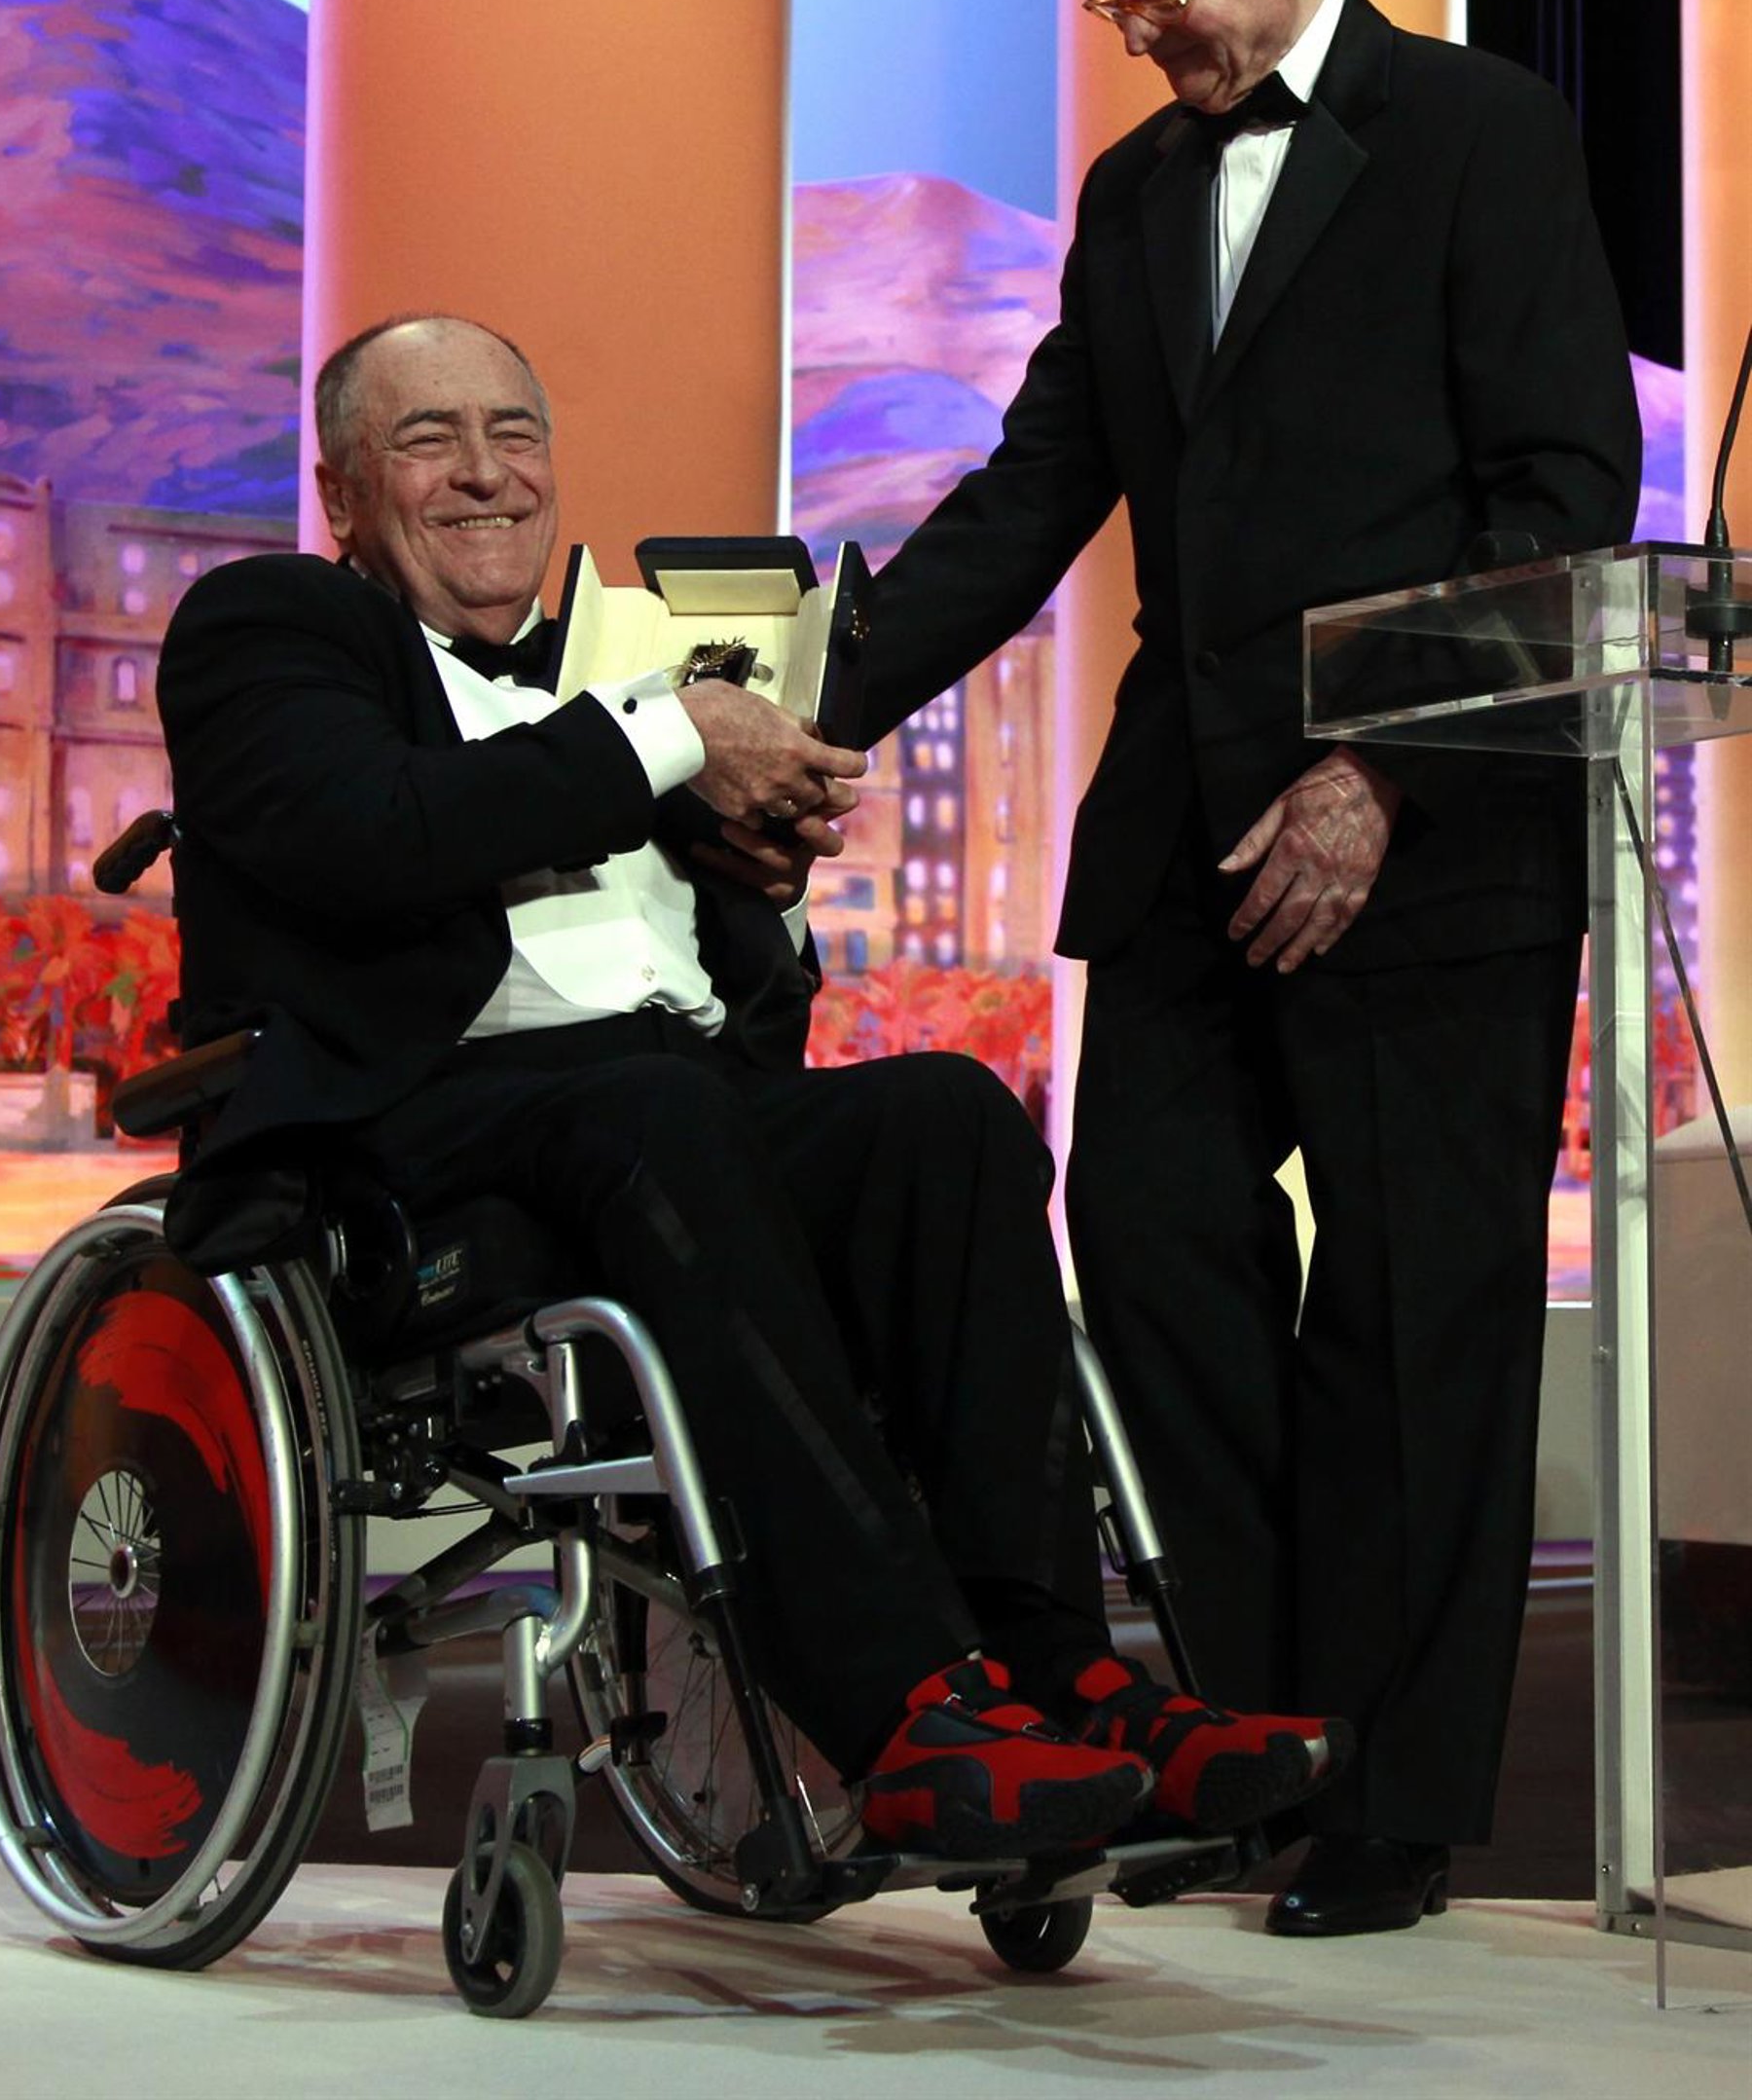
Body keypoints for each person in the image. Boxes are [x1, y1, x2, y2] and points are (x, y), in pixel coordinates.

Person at [155, 309, 1347, 1869]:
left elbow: (742, 984)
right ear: (342, 492)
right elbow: (367, 831)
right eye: (427, 440)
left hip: (673, 1106)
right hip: (430, 1132)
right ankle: (900, 1712)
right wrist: (664, 736)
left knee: (945, 1116)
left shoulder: (628, 667)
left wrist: (764, 871)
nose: (485, 473)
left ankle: (1061, 1672)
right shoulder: (273, 626)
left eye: (515, 434)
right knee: (659, 1114)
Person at [859, 0, 1641, 1932]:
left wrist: (1376, 774)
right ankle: (1263, 1736)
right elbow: (1032, 500)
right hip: (1186, 838)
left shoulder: (1481, 134)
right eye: (1109, 0)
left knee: (1414, 1322)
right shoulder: (1131, 195)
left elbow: (1560, 494)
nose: (1139, 34)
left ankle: (1389, 1800)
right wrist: (814, 707)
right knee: (1150, 1250)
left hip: (1432, 837)